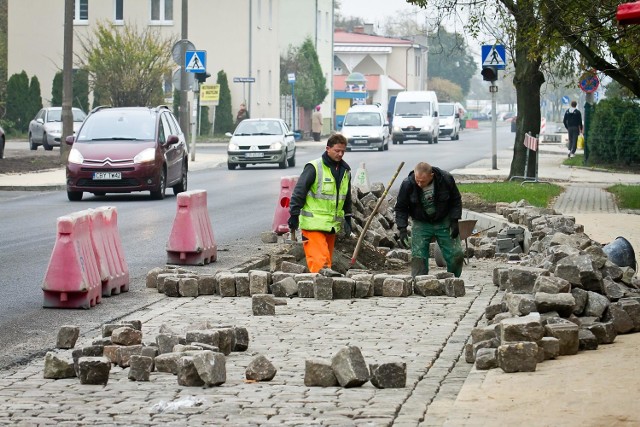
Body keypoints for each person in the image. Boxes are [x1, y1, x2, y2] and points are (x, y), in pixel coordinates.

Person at [288, 134, 353, 273]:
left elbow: (346, 196)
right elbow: (299, 192)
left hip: (331, 226)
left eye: (343, 151)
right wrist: (294, 214)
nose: (340, 154)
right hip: (313, 225)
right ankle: (321, 290)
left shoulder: (345, 171)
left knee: (327, 263)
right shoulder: (314, 167)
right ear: (327, 149)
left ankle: (323, 291)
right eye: (337, 151)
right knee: (321, 265)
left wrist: (348, 217)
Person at [395, 162, 464, 278]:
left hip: (443, 220)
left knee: (456, 255)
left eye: (423, 181)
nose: (419, 184)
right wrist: (402, 228)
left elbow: (455, 200)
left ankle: (453, 280)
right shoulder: (408, 184)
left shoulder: (445, 179)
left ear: (431, 175)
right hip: (421, 223)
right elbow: (401, 208)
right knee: (418, 257)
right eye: (417, 180)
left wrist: (454, 220)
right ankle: (420, 283)